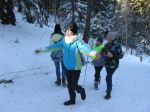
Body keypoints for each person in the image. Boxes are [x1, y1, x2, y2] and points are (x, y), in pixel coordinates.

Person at [35, 23, 100, 105]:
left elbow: (85, 48)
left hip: (76, 67)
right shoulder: (64, 41)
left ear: (74, 32)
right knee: (69, 86)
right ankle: (72, 100)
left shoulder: (78, 41)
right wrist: (43, 50)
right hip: (67, 66)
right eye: (67, 30)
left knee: (73, 85)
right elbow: (55, 46)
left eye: (69, 30)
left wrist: (93, 54)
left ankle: (81, 90)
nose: (67, 32)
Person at [101, 32, 123, 99]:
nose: (107, 39)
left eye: (108, 38)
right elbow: (102, 51)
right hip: (107, 64)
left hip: (114, 65)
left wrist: (113, 55)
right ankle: (110, 84)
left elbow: (121, 55)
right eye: (107, 37)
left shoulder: (117, 45)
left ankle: (108, 93)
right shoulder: (106, 45)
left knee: (108, 77)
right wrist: (106, 53)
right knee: (109, 77)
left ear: (112, 38)